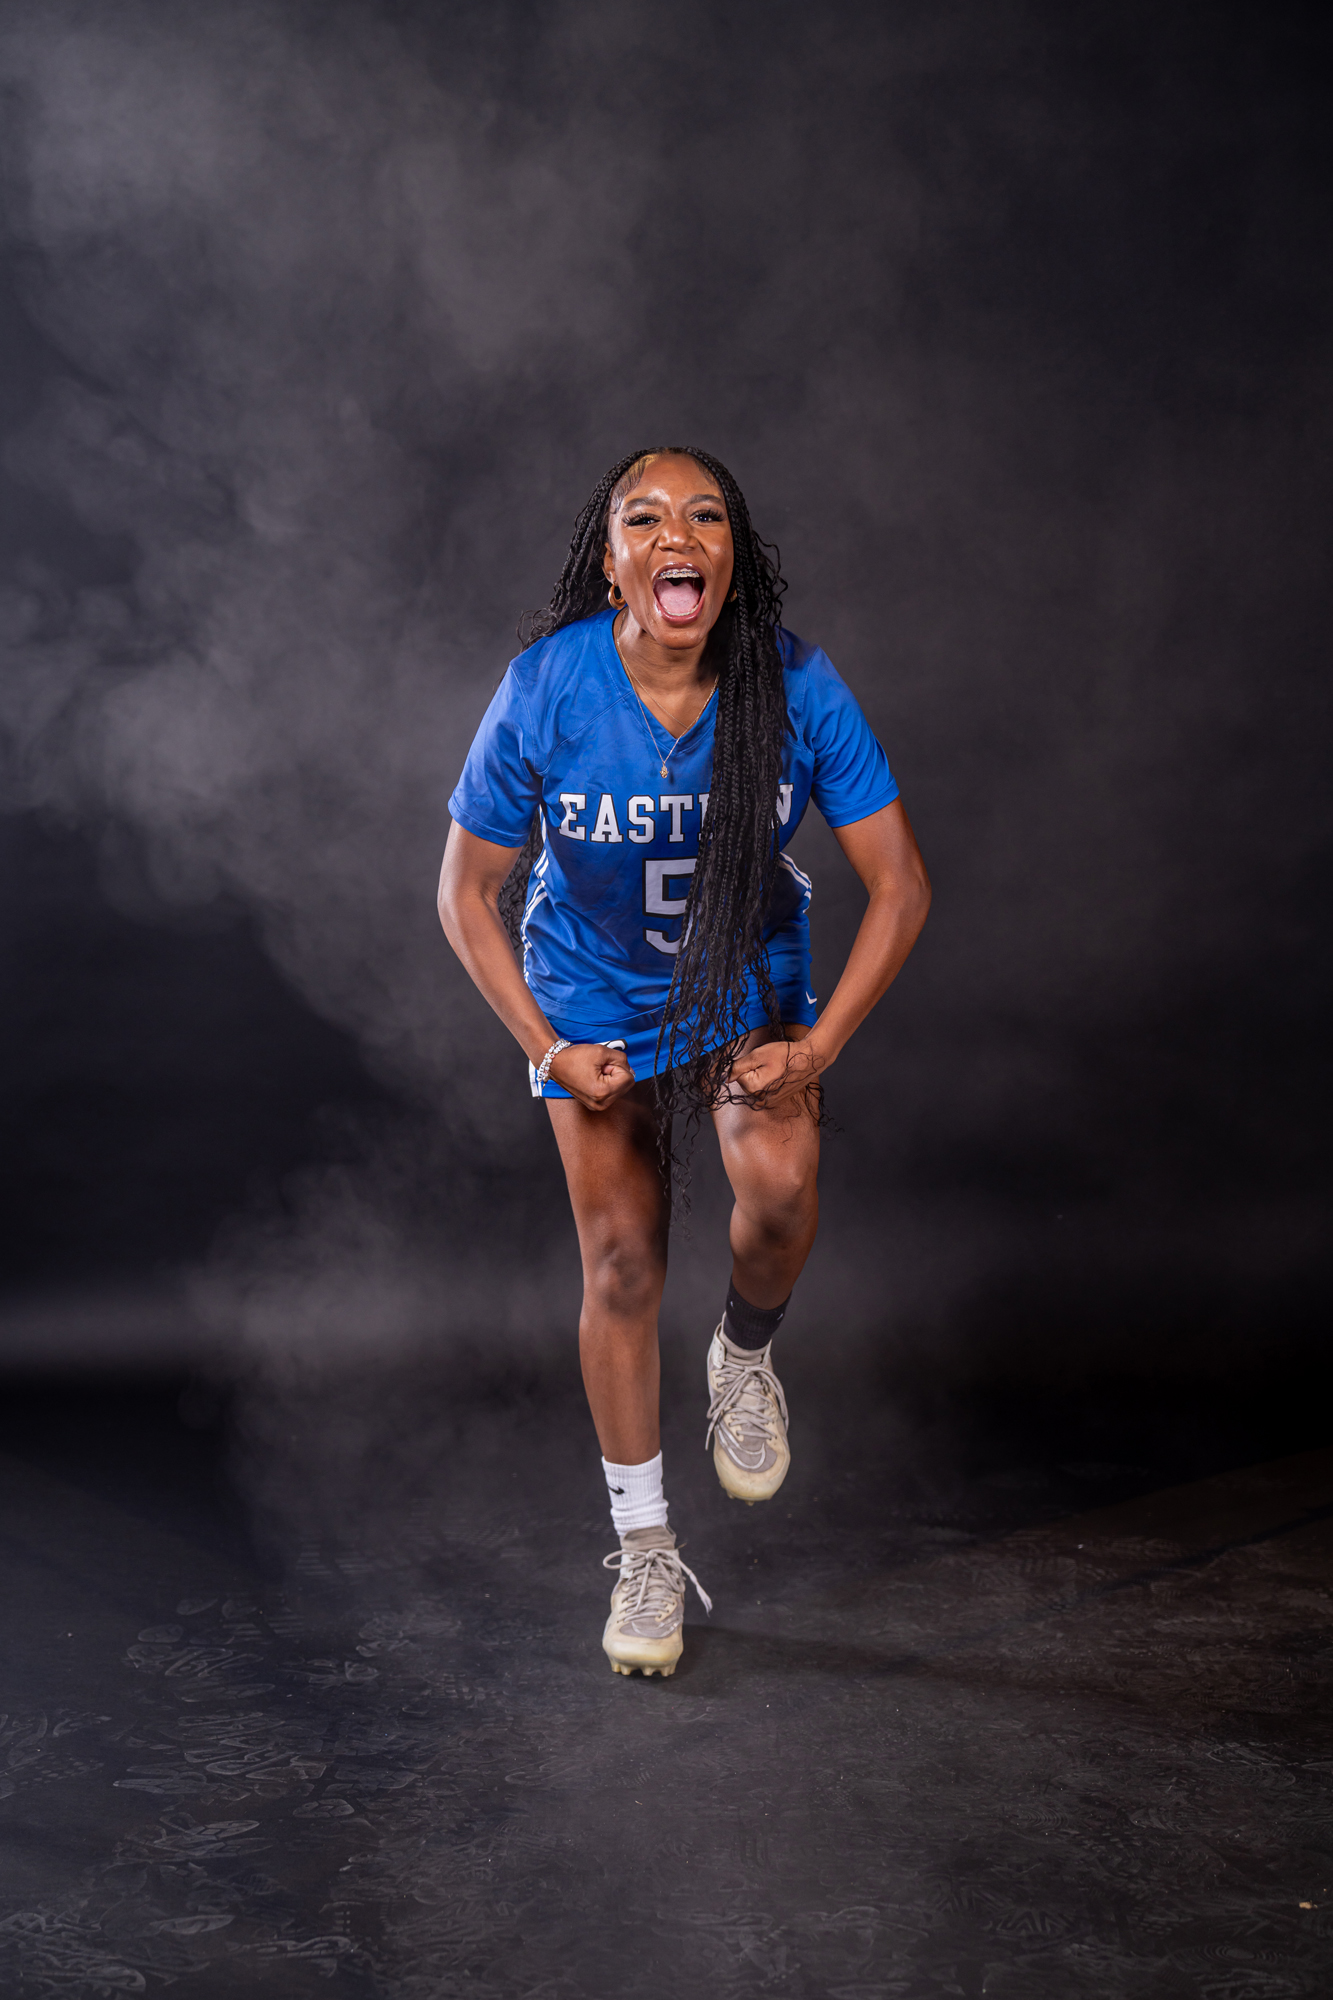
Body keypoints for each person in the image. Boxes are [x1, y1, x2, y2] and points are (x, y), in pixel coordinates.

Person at [438, 447, 930, 1678]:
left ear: (730, 562)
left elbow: (900, 885)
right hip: (590, 992)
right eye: (645, 517)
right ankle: (645, 1546)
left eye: (705, 516)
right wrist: (548, 1045)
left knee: (779, 1184)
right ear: (612, 565)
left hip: (738, 976)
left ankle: (744, 1352)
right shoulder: (547, 685)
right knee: (620, 1261)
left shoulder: (793, 683)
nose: (678, 533)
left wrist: (816, 1042)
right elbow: (464, 891)